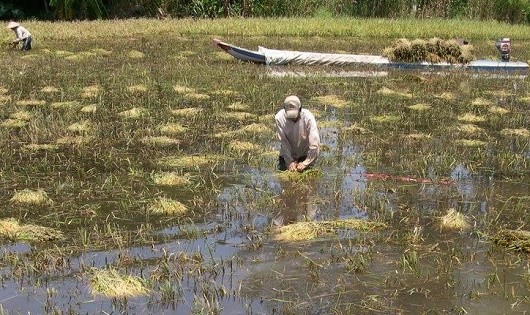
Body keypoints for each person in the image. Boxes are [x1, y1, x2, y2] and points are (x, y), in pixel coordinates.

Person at [275, 95, 320, 172]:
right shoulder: (279, 118)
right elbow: (284, 141)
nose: (293, 119)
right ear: (284, 109)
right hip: (287, 155)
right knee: (285, 182)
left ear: (300, 109)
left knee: (307, 182)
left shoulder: (308, 117)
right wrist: (290, 161)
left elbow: (314, 143)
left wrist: (305, 163)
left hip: (305, 155)